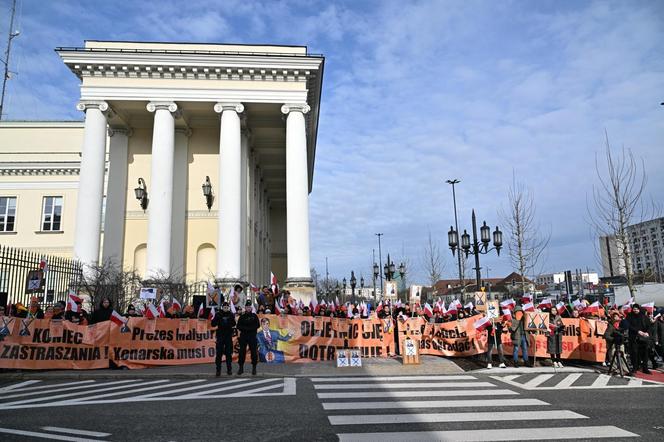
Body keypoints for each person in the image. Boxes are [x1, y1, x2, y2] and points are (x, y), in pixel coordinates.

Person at [211, 301, 236, 376]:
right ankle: (218, 370)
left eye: (227, 307)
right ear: (222, 307)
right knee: (219, 354)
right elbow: (213, 324)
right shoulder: (218, 314)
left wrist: (231, 319)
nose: (226, 309)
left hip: (228, 336)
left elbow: (234, 324)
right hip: (220, 336)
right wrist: (216, 318)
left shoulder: (230, 314)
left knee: (228, 354)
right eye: (224, 307)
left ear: (228, 308)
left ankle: (229, 369)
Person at [625, 304, 651, 374]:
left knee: (645, 354)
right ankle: (634, 368)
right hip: (634, 338)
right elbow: (628, 326)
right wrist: (638, 331)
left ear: (639, 309)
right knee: (634, 353)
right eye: (634, 309)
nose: (635, 310)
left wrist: (647, 333)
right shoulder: (629, 316)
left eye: (637, 309)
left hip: (643, 338)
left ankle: (645, 368)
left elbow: (649, 326)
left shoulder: (644, 316)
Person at [236, 300, 259, 375]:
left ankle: (254, 368)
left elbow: (257, 325)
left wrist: (250, 329)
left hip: (252, 336)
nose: (248, 308)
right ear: (245, 308)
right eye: (247, 307)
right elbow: (238, 326)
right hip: (244, 336)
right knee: (242, 352)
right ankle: (241, 368)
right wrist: (246, 329)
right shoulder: (242, 316)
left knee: (254, 352)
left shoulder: (254, 316)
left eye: (249, 307)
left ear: (251, 308)